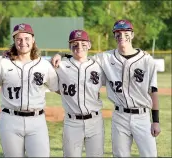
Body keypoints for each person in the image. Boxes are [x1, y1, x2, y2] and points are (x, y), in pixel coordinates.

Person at [51, 20, 161, 157]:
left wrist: (155, 121)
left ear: (132, 35)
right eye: (118, 33)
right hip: (120, 116)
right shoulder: (105, 58)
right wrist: (61, 55)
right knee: (120, 155)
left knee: (150, 155)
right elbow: (82, 57)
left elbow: (153, 91)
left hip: (143, 116)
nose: (122, 36)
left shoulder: (147, 60)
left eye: (126, 33)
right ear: (114, 36)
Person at [0, 23, 58, 157]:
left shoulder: (44, 65)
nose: (23, 42)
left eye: (27, 38)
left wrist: (62, 55)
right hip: (9, 120)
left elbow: (60, 89)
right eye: (19, 39)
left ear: (33, 40)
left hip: (37, 121)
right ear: (14, 41)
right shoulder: (3, 63)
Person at [56, 30, 105, 157]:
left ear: (89, 45)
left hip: (95, 121)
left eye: (83, 43)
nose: (79, 46)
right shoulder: (60, 65)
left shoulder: (98, 65)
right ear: (69, 46)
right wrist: (59, 55)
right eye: (75, 43)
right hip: (72, 122)